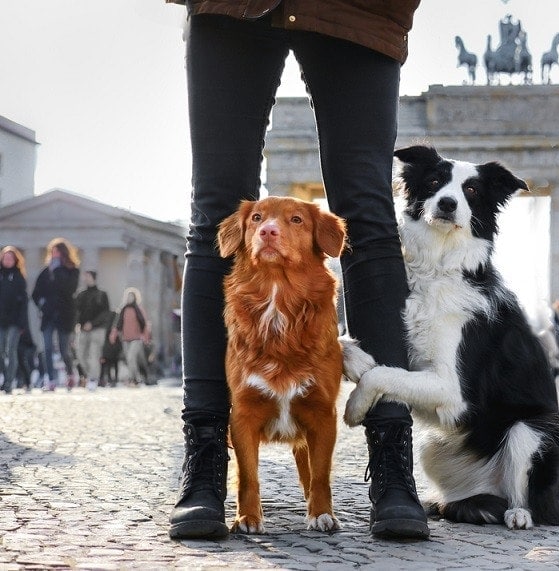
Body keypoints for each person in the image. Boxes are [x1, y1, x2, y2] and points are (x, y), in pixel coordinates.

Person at [165, 1, 429, 541]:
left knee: (369, 219)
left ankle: (392, 458)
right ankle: (208, 457)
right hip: (231, 6)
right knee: (216, 218)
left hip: (359, 8)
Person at [31, 238, 80, 391]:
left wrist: (58, 270)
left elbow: (69, 289)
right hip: (48, 315)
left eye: (57, 252)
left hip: (65, 315)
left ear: (64, 253)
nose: (54, 255)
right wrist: (42, 305)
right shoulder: (46, 272)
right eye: (52, 252)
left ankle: (70, 373)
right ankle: (50, 380)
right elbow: (35, 293)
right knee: (46, 348)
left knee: (64, 349)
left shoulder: (72, 270)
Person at [74, 271, 111, 390]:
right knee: (80, 355)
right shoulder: (81, 295)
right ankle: (90, 375)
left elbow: (106, 313)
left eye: (88, 276)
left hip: (97, 329)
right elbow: (76, 312)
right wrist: (78, 324)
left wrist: (93, 323)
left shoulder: (102, 294)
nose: (86, 279)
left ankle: (93, 379)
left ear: (93, 278)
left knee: (94, 355)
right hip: (83, 329)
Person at [0, 246, 29, 394]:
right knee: (0, 352)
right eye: (5, 258)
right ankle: (4, 377)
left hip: (14, 322)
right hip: (1, 321)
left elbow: (24, 302)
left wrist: (22, 323)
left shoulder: (19, 278)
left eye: (10, 258)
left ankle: (9, 382)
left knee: (11, 350)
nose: (7, 260)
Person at [110, 288, 150, 387]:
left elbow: (144, 324)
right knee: (129, 359)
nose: (129, 298)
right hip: (125, 339)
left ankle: (136, 378)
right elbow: (117, 325)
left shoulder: (139, 309)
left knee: (131, 357)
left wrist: (146, 337)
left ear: (135, 298)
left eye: (131, 296)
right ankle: (134, 378)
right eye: (128, 296)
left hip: (136, 338)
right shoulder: (122, 309)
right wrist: (113, 336)